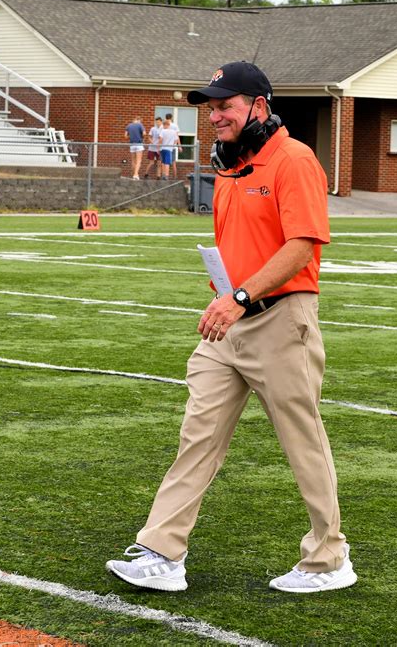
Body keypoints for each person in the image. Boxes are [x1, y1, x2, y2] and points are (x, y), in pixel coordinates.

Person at [107, 61, 357, 594]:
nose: (214, 115)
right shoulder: (229, 166)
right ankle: (162, 551)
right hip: (230, 325)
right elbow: (234, 245)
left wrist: (242, 297)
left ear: (259, 107)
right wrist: (225, 294)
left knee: (302, 441)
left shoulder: (294, 159)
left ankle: (329, 559)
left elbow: (303, 245)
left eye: (225, 105)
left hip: (281, 320)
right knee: (197, 435)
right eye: (211, 107)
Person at [165, 112, 182, 178]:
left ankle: (166, 176)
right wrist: (179, 146)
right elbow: (177, 136)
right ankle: (175, 177)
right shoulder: (175, 125)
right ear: (171, 118)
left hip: (165, 147)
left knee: (165, 162)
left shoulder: (164, 125)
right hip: (173, 147)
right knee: (173, 162)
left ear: (165, 118)